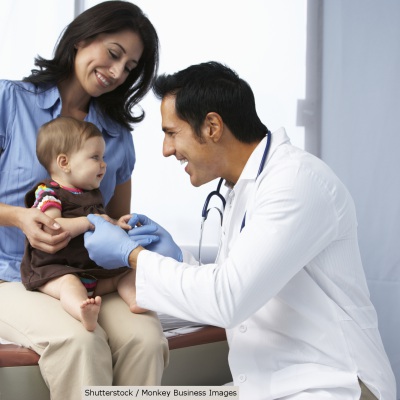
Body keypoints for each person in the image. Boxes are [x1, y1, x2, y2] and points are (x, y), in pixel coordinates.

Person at [84, 62, 397, 400]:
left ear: (212, 127)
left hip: (331, 386)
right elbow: (234, 284)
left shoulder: (296, 182)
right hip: (267, 388)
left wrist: (132, 256)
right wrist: (176, 258)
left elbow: (228, 299)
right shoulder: (242, 188)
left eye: (172, 132)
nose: (166, 149)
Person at [0, 2, 168, 399]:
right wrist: (18, 218)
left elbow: (113, 221)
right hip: (8, 276)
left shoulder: (117, 138)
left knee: (145, 340)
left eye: (129, 67)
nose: (117, 71)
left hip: (87, 276)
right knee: (80, 343)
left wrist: (126, 230)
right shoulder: (9, 102)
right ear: (81, 39)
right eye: (113, 53)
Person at [21, 117, 153, 332]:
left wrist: (116, 224)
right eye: (95, 157)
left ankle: (134, 299)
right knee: (69, 286)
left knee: (128, 271)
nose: (103, 164)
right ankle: (82, 311)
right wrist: (88, 221)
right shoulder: (48, 193)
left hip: (92, 271)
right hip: (55, 269)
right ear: (64, 163)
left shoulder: (92, 195)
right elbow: (51, 225)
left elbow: (101, 223)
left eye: (103, 157)